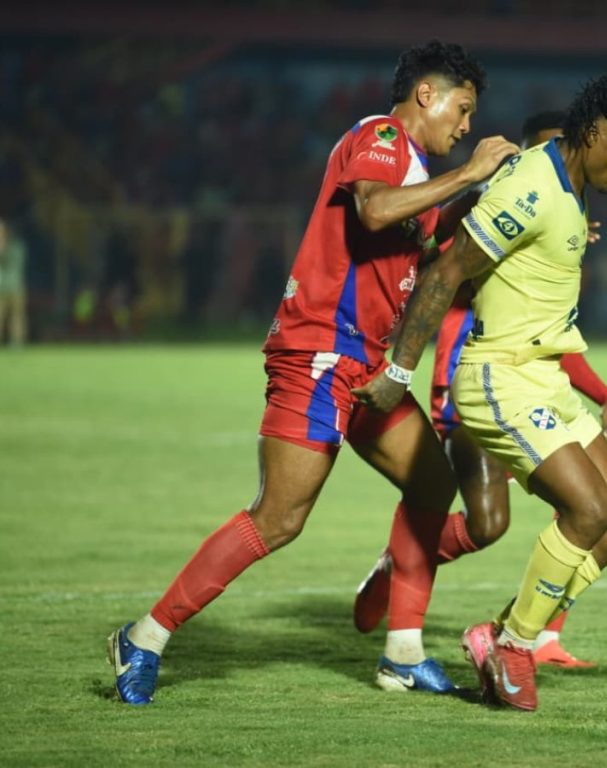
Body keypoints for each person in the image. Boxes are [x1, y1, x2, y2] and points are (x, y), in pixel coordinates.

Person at [107, 40, 519, 705]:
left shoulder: (415, 169)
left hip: (364, 362)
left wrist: (503, 203)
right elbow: (375, 210)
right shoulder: (380, 136)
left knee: (431, 484)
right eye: (462, 108)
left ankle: (403, 655)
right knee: (278, 519)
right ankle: (146, 636)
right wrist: (470, 172)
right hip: (320, 353)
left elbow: (425, 233)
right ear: (425, 95)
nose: (465, 125)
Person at [354, 74, 607, 711]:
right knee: (580, 514)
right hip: (499, 376)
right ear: (596, 133)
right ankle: (513, 645)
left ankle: (501, 635)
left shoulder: (569, 187)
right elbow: (448, 270)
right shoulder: (533, 187)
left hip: (545, 378)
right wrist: (399, 370)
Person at [0, 216, 28, 347]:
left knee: (17, 316)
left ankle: (16, 342)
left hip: (15, 286)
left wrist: (3, 248)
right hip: (1, 286)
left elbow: (16, 263)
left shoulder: (16, 246)